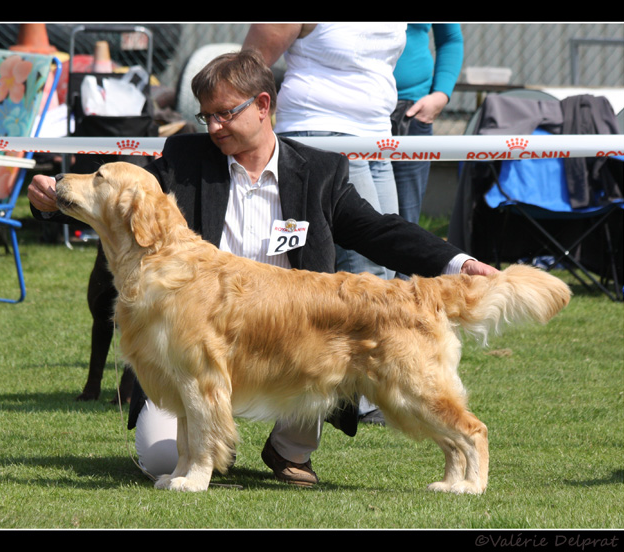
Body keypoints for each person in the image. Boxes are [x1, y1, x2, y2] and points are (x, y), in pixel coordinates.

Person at [28, 49, 498, 487]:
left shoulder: (318, 170)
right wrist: (54, 202)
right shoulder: (185, 161)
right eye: (206, 115)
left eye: (225, 113)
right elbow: (120, 193)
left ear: (263, 105)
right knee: (156, 457)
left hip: (298, 334)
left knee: (377, 384)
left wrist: (460, 262)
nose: (214, 126)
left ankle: (288, 448)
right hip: (212, 328)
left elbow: (379, 231)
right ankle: (207, 453)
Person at [243, 23, 405, 282]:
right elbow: (247, 69)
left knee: (389, 264)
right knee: (365, 272)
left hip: (377, 136)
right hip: (319, 133)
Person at [391, 24, 464, 224]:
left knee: (405, 217)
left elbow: (450, 39)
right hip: (355, 111)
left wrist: (441, 95)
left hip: (411, 111)